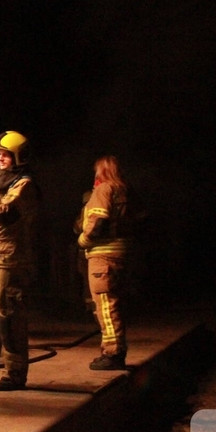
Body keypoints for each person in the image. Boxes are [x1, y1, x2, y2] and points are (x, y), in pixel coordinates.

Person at [0, 131, 39, 391]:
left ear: (18, 156)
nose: (0, 158)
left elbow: (4, 213)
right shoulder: (6, 184)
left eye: (5, 154)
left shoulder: (24, 185)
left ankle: (14, 373)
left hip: (13, 261)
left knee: (9, 317)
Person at [77, 155, 131, 371]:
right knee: (113, 304)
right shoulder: (124, 191)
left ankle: (113, 353)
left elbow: (99, 222)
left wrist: (83, 240)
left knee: (106, 306)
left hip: (102, 256)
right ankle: (113, 349)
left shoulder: (103, 190)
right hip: (120, 253)